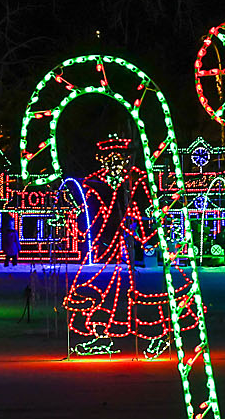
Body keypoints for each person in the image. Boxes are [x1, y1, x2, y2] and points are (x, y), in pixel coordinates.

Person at [64, 137, 199, 356]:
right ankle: (102, 337)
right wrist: (78, 225)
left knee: (145, 294)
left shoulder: (137, 180)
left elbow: (147, 209)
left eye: (118, 159)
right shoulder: (94, 183)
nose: (113, 164)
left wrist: (152, 227)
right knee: (98, 291)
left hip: (131, 249)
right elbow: (91, 213)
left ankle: (158, 337)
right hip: (107, 250)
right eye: (108, 159)